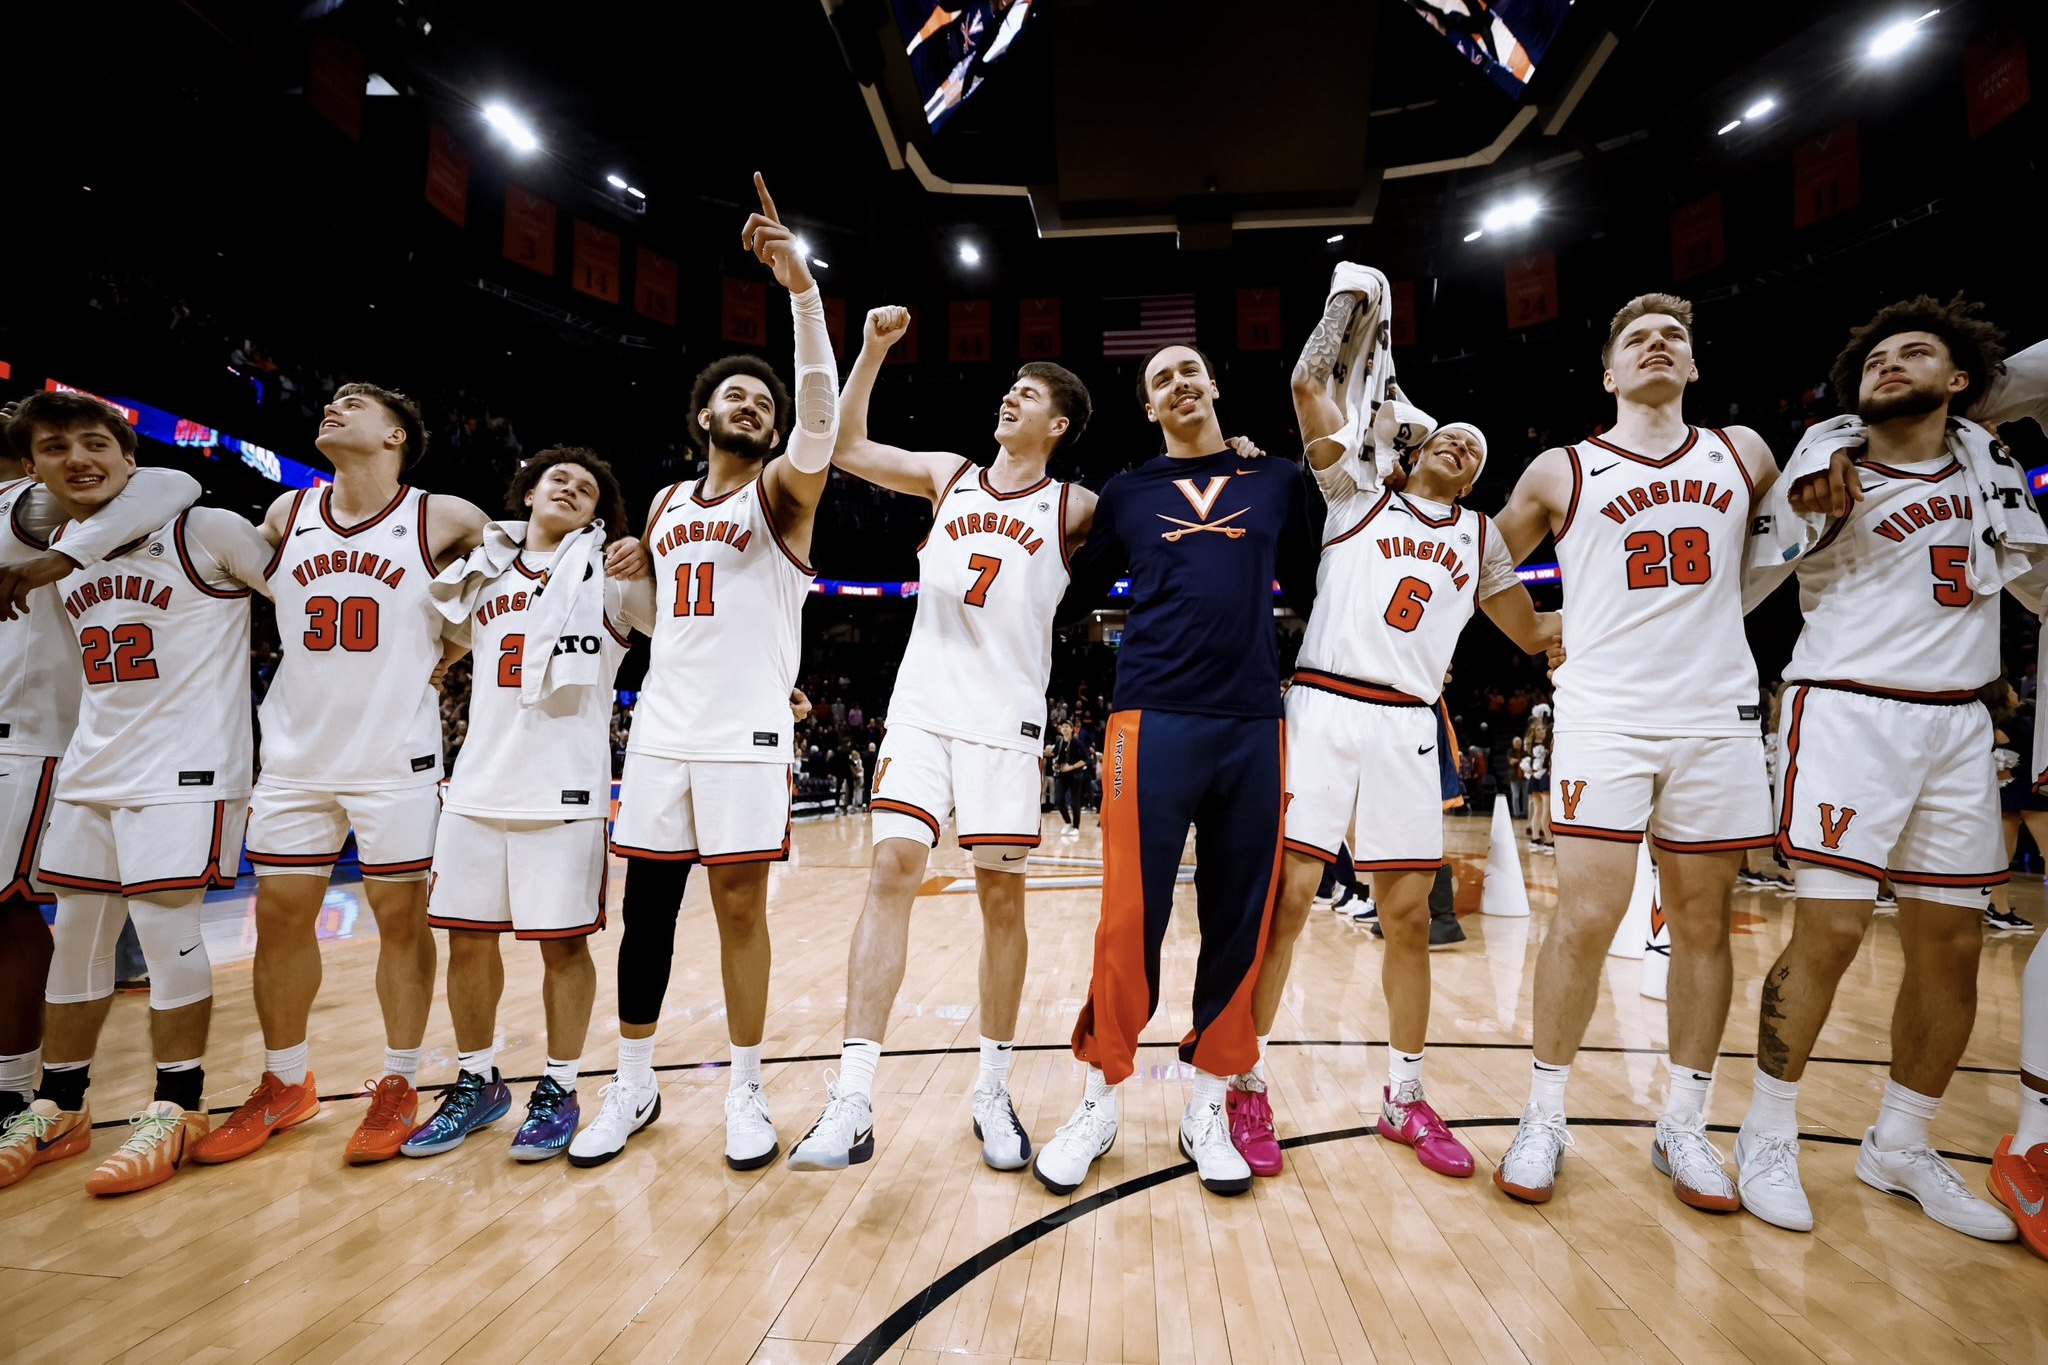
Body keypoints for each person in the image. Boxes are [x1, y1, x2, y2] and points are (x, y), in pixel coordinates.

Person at [1736, 302, 2047, 1244]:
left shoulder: (1990, 470)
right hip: (1848, 712)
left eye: (1915, 352)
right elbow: (1737, 586)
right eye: (1875, 356)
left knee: (1952, 949)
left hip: (1958, 723)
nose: (1890, 363)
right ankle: (1766, 1130)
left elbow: (2035, 580)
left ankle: (1901, 1143)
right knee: (1829, 932)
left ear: (1961, 382)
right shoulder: (1822, 472)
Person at [1239, 270, 1560, 1179]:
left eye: (1476, 450)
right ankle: (1244, 1083)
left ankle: (1405, 1096)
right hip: (1323, 703)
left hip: (1408, 724)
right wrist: (1348, 301)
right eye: (1449, 436)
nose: (1461, 446)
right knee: (1289, 901)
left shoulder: (1482, 539)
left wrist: (1600, 627)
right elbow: (1309, 385)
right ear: (1413, 449)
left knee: (1409, 918)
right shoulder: (1357, 493)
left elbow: (1534, 632)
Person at [786, 304, 1093, 1173]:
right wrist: (870, 352)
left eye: (1028, 393)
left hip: (1006, 722)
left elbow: (1156, 518)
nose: (1010, 396)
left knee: (1001, 901)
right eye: (1010, 387)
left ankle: (992, 1088)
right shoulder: (949, 474)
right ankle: (852, 1098)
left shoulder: (1074, 505)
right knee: (891, 869)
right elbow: (846, 444)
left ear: (1058, 424)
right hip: (923, 708)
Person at [1490, 292, 1780, 1210]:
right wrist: (1535, 630)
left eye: (1674, 338)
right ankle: (1544, 1115)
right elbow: (1481, 558)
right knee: (1584, 918)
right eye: (1638, 340)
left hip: (1715, 713)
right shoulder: (1562, 467)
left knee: (1702, 923)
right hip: (1605, 714)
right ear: (1609, 375)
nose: (1658, 345)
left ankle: (1684, 1122)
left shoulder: (1744, 451)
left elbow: (1800, 536)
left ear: (1692, 365)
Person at [573, 176, 839, 1171]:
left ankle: (746, 1088)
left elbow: (820, 417)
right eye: (737, 395)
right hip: (662, 727)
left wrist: (801, 294)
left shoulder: (784, 494)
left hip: (745, 732)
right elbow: (660, 626)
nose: (754, 406)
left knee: (738, 909)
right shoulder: (663, 505)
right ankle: (633, 1083)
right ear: (702, 416)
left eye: (765, 403)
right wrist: (629, 582)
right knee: (645, 911)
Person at [192, 381, 509, 1167]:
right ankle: (284, 1081)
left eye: (354, 405)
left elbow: (514, 580)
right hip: (296, 753)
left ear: (397, 435)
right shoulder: (286, 512)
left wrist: (453, 648)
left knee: (401, 920)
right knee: (279, 919)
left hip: (393, 755)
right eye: (331, 402)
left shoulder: (444, 516)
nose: (332, 408)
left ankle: (399, 1079)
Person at [1031, 342, 1319, 1198]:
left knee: (1240, 918)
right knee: (1130, 915)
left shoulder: (1279, 480)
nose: (1179, 383)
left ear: (1215, 385)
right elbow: (1066, 597)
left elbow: (1318, 587)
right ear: (1150, 408)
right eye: (1161, 379)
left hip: (1252, 721)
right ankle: (1099, 1100)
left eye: (1190, 369)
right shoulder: (1127, 493)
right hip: (1148, 719)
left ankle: (1208, 1103)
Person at [0, 392, 272, 1195]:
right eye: (56, 449)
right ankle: (59, 1105)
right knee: (78, 937)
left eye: (95, 443)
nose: (78, 460)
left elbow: (304, 609)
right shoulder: (60, 540)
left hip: (186, 769)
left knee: (165, 933)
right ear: (32, 468)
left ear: (129, 455)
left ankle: (178, 1105)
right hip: (92, 765)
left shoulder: (206, 527)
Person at [399, 449, 653, 1162]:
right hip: (478, 783)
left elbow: (688, 634)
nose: (570, 488)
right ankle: (477, 1081)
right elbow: (444, 640)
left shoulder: (613, 576)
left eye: (587, 488)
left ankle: (561, 1087)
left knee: (562, 945)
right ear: (529, 494)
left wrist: (650, 559)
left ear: (599, 514)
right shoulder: (483, 570)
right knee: (467, 940)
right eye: (557, 480)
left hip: (564, 789)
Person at [0, 406, 200, 1153]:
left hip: (34, 740)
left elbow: (172, 481)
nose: (73, 457)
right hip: (54, 741)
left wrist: (58, 559)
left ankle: (15, 1087)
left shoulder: (32, 502)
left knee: (15, 915)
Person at [1052, 721, 1091, 838]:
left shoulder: (1076, 743)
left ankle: (1076, 827)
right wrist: (1055, 765)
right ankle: (1068, 822)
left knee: (1075, 802)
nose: (1064, 728)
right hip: (1062, 775)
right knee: (1059, 800)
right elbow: (1055, 757)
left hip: (1075, 776)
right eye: (1062, 727)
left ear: (1071, 729)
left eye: (1066, 726)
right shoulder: (1059, 742)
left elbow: (1085, 760)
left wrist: (1071, 767)